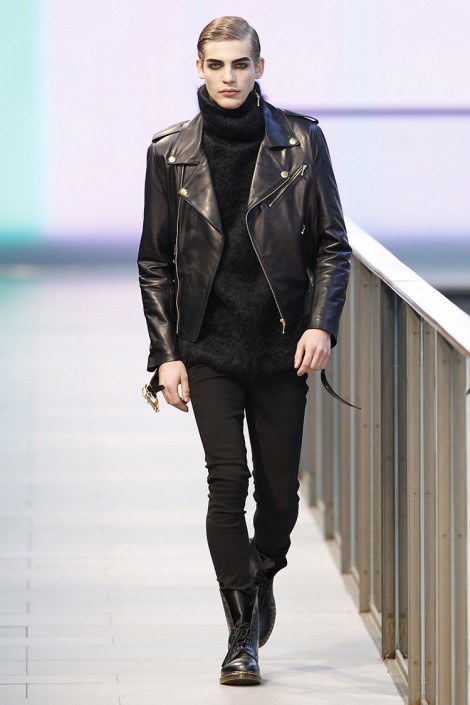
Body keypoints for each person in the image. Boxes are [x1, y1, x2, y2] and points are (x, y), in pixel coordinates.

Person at [138, 16, 351, 686]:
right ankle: (241, 635)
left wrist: (321, 324)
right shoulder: (170, 153)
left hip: (284, 345)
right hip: (209, 345)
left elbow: (332, 244)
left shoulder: (302, 142)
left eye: (239, 64)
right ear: (199, 68)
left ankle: (262, 572)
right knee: (227, 480)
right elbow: (155, 260)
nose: (228, 77)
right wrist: (166, 354)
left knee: (280, 495)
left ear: (260, 66)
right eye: (216, 64)